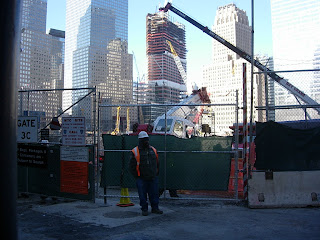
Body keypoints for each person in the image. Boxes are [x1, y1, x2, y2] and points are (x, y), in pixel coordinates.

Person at [129, 131, 163, 216]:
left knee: (154, 194)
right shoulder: (135, 151)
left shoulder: (153, 150)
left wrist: (155, 173)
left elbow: (157, 163)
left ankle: (155, 208)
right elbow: (131, 166)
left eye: (147, 139)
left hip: (152, 177)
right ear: (140, 140)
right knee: (142, 195)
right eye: (144, 140)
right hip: (141, 178)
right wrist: (137, 176)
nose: (146, 141)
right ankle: (144, 209)